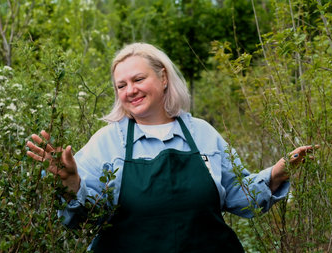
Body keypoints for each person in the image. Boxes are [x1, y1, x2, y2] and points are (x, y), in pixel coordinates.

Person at [26, 42, 316, 252]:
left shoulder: (202, 133)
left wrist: (277, 173)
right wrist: (72, 183)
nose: (131, 90)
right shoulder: (108, 141)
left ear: (163, 78)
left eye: (139, 79)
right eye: (121, 85)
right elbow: (84, 217)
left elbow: (237, 196)